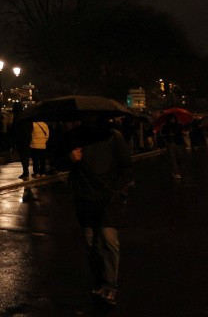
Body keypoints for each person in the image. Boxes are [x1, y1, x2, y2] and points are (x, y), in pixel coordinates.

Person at [64, 118, 133, 307]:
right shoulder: (74, 137)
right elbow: (59, 160)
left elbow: (126, 167)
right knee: (90, 241)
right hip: (84, 196)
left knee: (109, 240)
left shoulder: (114, 136)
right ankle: (98, 281)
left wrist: (117, 190)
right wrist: (70, 158)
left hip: (108, 197)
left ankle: (110, 285)